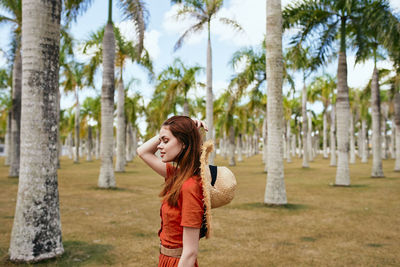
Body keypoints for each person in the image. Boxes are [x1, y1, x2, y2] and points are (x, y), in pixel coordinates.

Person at [137, 116, 208, 267]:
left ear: (183, 143)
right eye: (160, 141)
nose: (159, 146)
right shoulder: (177, 175)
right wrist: (179, 128)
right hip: (166, 259)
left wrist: (181, 130)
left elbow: (190, 253)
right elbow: (142, 151)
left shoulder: (190, 185)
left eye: (166, 141)